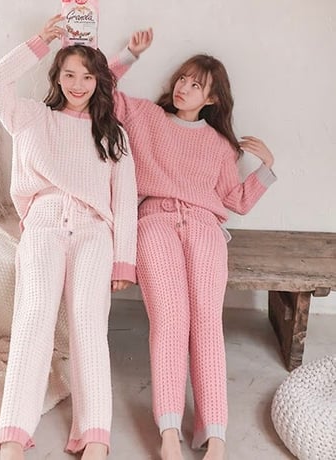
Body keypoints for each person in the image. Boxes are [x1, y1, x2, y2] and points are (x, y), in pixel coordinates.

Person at [108, 30, 277, 460]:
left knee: (206, 322)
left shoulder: (220, 146)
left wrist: (266, 168)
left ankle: (214, 434)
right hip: (154, 221)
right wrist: (130, 54)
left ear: (212, 99)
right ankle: (168, 430)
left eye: (196, 84)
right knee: (170, 319)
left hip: (205, 227)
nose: (183, 87)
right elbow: (100, 90)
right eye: (182, 78)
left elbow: (236, 202)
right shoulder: (145, 116)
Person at [0, 14, 137, 460]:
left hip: (94, 233)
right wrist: (40, 41)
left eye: (87, 76)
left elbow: (125, 199)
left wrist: (124, 260)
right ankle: (13, 436)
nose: (78, 84)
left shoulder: (113, 134)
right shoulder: (32, 117)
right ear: (56, 76)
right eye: (69, 74)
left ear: (100, 81)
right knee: (33, 320)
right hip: (45, 226)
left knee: (89, 327)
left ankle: (95, 438)